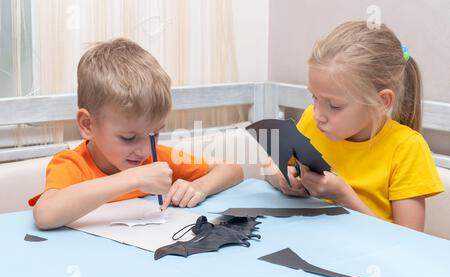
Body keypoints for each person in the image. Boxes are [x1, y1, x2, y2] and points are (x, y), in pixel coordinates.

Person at [30, 38, 243, 230]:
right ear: (88, 125)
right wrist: (132, 179)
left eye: (155, 134)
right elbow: (45, 215)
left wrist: (200, 186)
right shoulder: (72, 165)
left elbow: (232, 170)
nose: (143, 149)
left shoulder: (156, 156)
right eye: (128, 138)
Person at [265, 21, 444, 231]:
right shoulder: (311, 121)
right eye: (314, 97)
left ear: (382, 101)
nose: (318, 115)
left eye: (335, 106)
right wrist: (281, 178)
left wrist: (343, 195)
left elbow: (409, 241)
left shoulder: (407, 148)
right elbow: (269, 168)